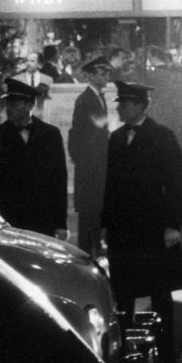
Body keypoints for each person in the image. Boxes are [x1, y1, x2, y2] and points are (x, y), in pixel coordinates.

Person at [101, 81, 182, 363]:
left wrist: (173, 224)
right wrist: (106, 223)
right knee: (123, 292)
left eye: (124, 103)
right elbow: (111, 185)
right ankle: (124, 347)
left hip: (152, 225)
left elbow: (174, 184)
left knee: (159, 291)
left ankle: (166, 351)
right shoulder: (115, 138)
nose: (120, 108)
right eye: (119, 103)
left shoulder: (163, 136)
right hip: (122, 228)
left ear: (139, 105)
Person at [0, 79, 70, 239]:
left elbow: (58, 179)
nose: (9, 109)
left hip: (42, 218)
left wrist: (61, 223)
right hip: (8, 218)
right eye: (7, 104)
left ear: (29, 106)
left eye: (14, 105)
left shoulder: (50, 134)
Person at [68, 55, 113, 256]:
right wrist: (84, 161)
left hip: (98, 163)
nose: (106, 77)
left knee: (96, 210)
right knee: (88, 212)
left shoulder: (98, 97)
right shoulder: (86, 100)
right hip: (90, 165)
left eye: (107, 74)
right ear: (91, 76)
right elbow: (77, 133)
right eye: (102, 74)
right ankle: (86, 253)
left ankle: (94, 247)